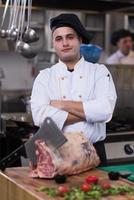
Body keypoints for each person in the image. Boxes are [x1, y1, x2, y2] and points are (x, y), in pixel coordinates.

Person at [30, 13, 117, 166]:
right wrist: (89, 113)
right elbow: (40, 116)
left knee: (99, 190)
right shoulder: (44, 76)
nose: (65, 43)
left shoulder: (99, 71)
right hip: (57, 152)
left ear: (80, 40)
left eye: (70, 37)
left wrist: (62, 105)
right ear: (54, 44)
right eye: (59, 39)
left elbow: (105, 110)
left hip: (93, 150)